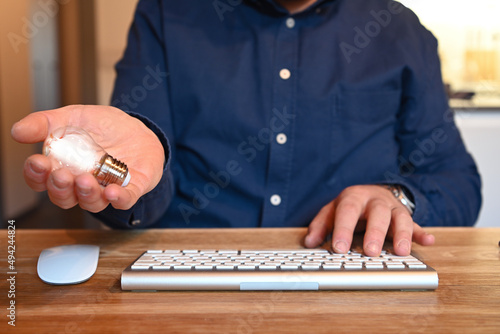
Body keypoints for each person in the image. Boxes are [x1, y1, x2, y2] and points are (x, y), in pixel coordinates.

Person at [11, 0, 481, 257]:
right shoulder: (166, 13)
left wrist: (397, 197)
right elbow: (141, 188)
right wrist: (126, 182)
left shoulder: (400, 31)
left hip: (351, 270)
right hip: (185, 281)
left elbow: (457, 180)